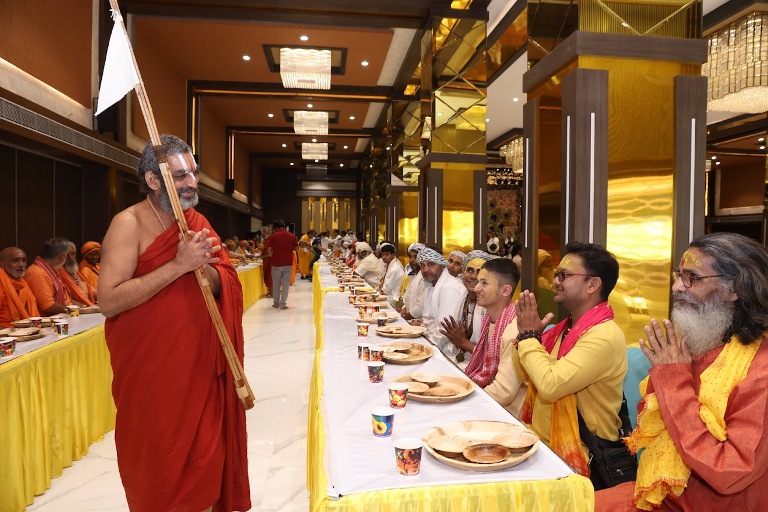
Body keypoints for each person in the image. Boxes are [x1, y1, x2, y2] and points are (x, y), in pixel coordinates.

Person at [98, 134, 249, 512]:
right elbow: (108, 301)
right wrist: (178, 265)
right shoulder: (127, 223)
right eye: (180, 176)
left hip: (200, 371)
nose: (192, 183)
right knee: (159, 476)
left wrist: (207, 269)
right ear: (153, 180)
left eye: (194, 174)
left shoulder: (197, 222)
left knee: (206, 467)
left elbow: (225, 280)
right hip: (152, 380)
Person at [595, 232, 768, 511]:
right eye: (679, 275)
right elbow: (656, 429)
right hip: (663, 495)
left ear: (734, 289)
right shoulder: (700, 348)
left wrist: (673, 378)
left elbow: (728, 472)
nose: (676, 287)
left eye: (692, 278)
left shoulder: (761, 372)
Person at [515, 241, 627, 479]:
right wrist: (530, 339)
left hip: (580, 459)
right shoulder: (565, 329)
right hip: (543, 443)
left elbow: (551, 385)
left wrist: (528, 338)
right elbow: (526, 373)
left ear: (593, 284)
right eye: (557, 274)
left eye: (564, 275)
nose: (556, 281)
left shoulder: (603, 336)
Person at [462, 258, 526, 415]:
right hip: (489, 401)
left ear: (505, 291)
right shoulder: (489, 320)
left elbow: (504, 392)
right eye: (478, 282)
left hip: (509, 414)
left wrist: (465, 402)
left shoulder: (514, 329)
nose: (476, 288)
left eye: (484, 283)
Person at [440, 250, 494, 366]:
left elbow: (492, 356)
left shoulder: (491, 306)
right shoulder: (464, 298)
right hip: (461, 360)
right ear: (463, 273)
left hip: (481, 369)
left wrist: (463, 342)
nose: (473, 276)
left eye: (479, 272)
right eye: (469, 270)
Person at [416, 247, 468, 360]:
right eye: (422, 265)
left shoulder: (450, 288)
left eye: (431, 264)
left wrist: (427, 350)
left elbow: (444, 331)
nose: (425, 270)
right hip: (429, 339)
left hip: (444, 351)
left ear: (442, 265)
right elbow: (429, 320)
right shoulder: (432, 283)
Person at [24, 237, 73, 316]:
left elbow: (65, 297)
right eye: (68, 255)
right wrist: (72, 310)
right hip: (43, 323)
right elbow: (48, 306)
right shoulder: (37, 273)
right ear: (61, 257)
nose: (70, 258)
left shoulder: (52, 270)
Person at [0, 247, 40, 327]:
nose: (21, 264)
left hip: (26, 330)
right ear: (3, 264)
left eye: (24, 260)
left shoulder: (22, 283)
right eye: (15, 260)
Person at [264, 219, 297, 310]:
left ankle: (276, 303)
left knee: (276, 284)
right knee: (286, 284)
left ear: (275, 228)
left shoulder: (274, 236)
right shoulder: (291, 235)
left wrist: (273, 255)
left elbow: (269, 250)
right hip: (288, 263)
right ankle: (283, 304)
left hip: (276, 263)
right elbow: (296, 248)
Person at [57, 241, 96, 306]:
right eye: (67, 255)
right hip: (73, 312)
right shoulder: (57, 274)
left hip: (88, 309)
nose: (71, 258)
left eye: (72, 254)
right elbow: (65, 300)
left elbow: (91, 291)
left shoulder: (76, 272)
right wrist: (82, 307)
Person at [399, 243, 426, 320]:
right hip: (409, 318)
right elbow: (407, 298)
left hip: (417, 322)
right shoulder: (414, 275)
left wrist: (404, 319)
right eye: (410, 257)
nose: (412, 260)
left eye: (415, 256)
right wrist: (402, 313)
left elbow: (420, 308)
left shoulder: (425, 278)